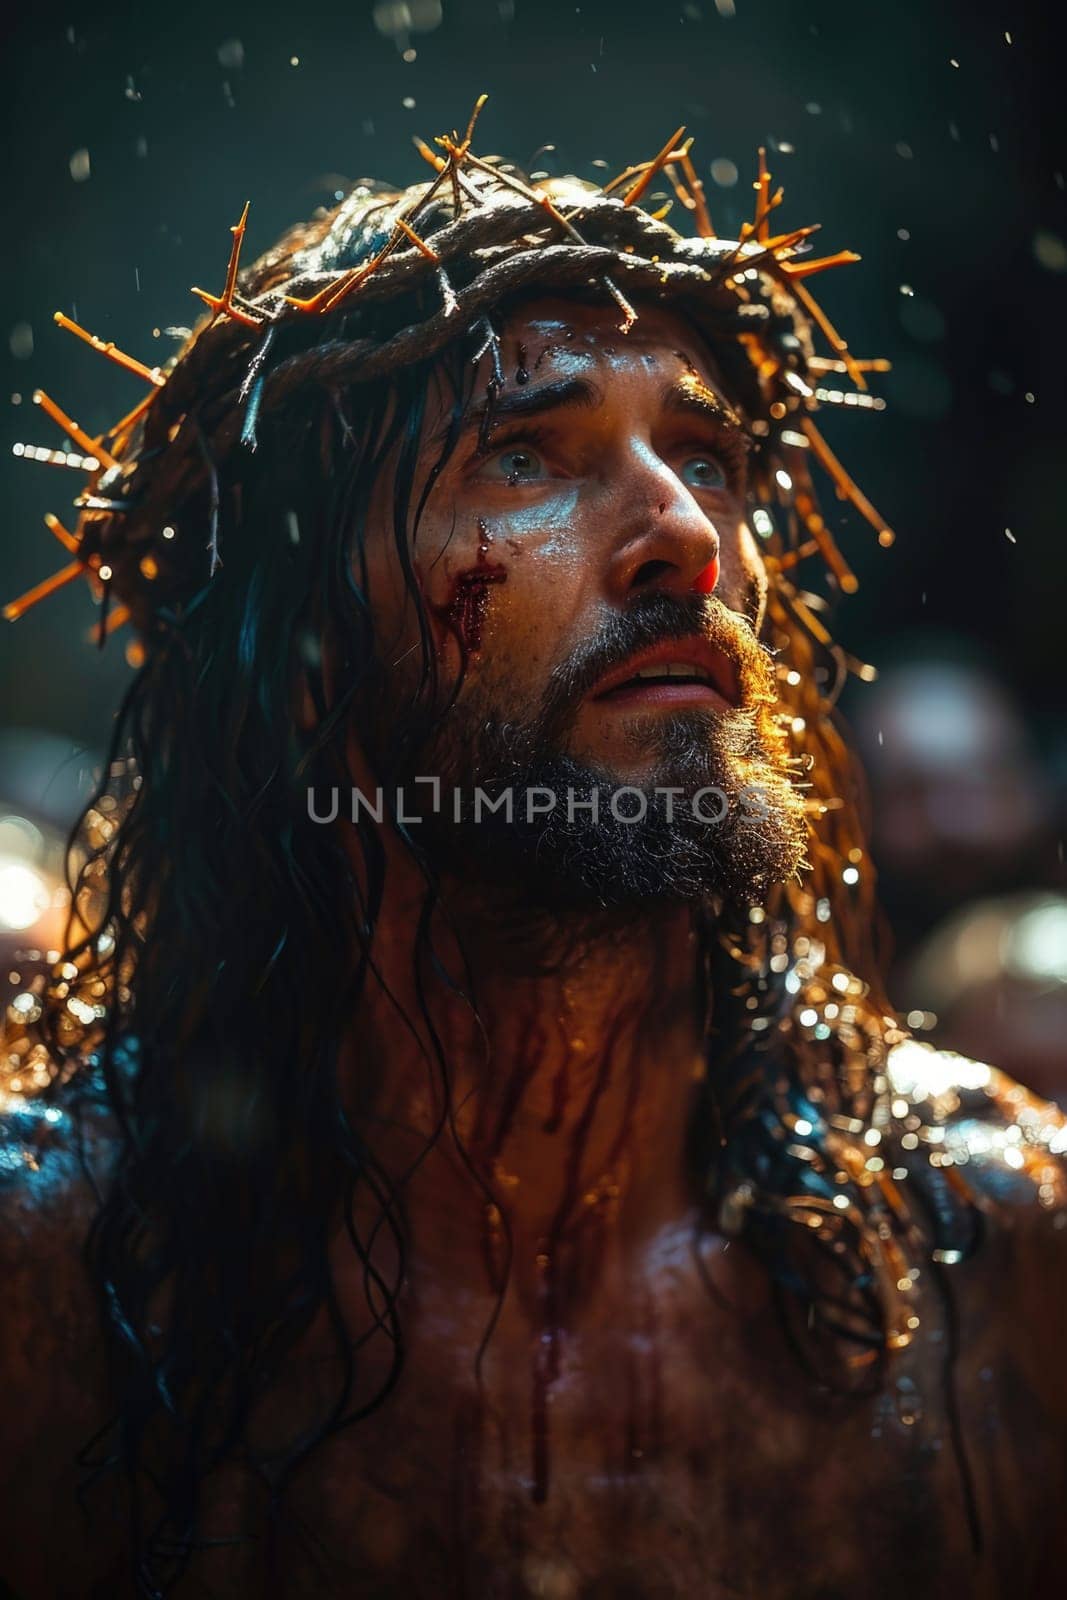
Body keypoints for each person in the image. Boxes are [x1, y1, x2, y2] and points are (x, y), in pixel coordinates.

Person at [1, 108, 1065, 1600]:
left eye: (707, 453)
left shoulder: (994, 1245)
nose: (685, 531)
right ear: (299, 648)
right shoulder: (50, 1279)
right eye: (526, 453)